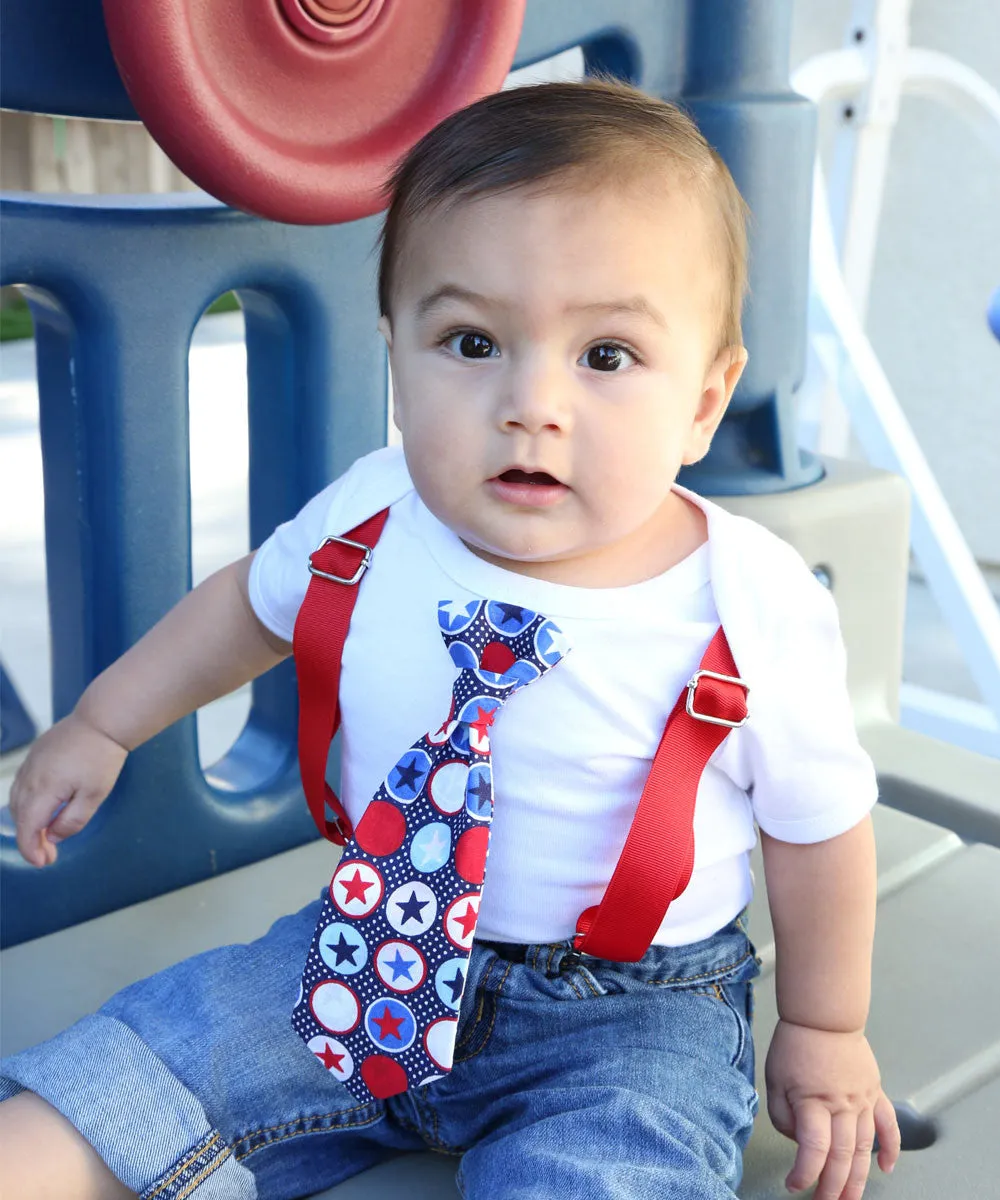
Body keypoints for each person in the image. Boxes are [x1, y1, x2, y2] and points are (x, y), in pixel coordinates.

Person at [0, 79, 901, 1200]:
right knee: (123, 1078)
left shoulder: (744, 597)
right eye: (470, 340)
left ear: (705, 402)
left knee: (605, 1169)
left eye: (605, 356)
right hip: (359, 947)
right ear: (395, 353)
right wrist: (102, 724)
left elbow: (816, 825)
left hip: (626, 1018)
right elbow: (244, 609)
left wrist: (823, 1024)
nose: (530, 402)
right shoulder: (369, 520)